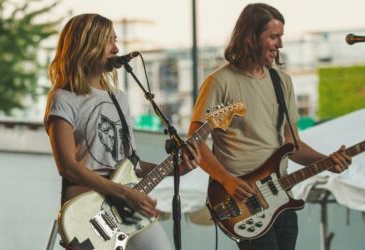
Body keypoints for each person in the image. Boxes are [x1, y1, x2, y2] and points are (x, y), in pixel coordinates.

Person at [188, 3, 352, 250]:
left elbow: (291, 144)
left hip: (280, 196)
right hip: (242, 200)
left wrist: (329, 161)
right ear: (251, 36)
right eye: (273, 37)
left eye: (281, 37)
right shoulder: (219, 81)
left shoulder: (281, 81)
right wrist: (228, 180)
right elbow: (195, 143)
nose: (280, 44)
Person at [44, 13, 200, 250]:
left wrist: (173, 170)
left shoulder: (119, 98)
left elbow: (129, 164)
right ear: (86, 45)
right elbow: (67, 167)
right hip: (88, 211)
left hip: (127, 207)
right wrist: (125, 194)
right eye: (108, 41)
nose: (116, 49)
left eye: (116, 40)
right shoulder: (63, 98)